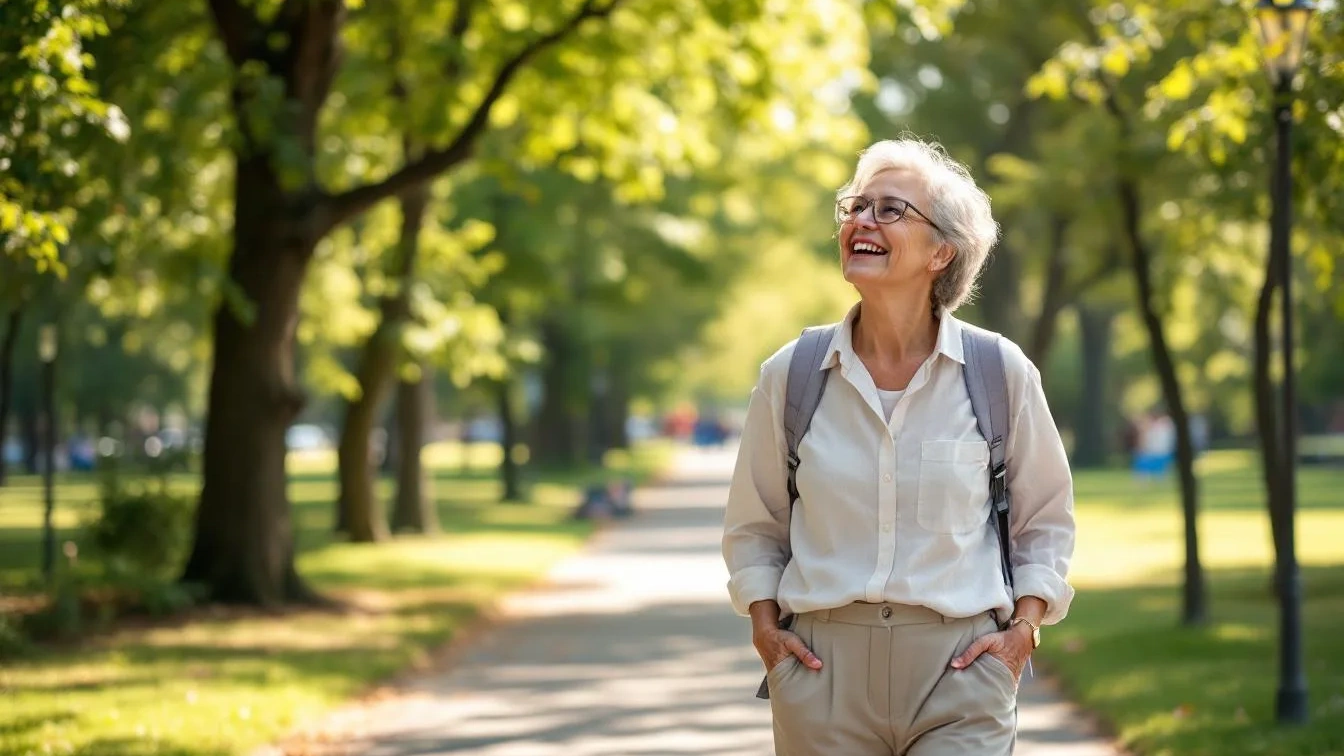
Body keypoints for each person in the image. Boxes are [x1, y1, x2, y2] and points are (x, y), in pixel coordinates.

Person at [721, 138, 1076, 755]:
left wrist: (1023, 631)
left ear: (942, 250)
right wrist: (766, 634)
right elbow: (755, 525)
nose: (862, 220)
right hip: (820, 677)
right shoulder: (793, 374)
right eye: (856, 206)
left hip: (961, 674)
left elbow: (1044, 520)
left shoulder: (998, 372)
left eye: (890, 210)